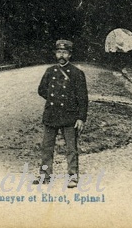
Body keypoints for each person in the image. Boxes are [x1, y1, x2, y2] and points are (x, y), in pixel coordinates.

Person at [33, 39, 88, 187]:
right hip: (51, 114)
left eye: (64, 52)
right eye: (59, 52)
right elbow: (41, 90)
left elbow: (83, 98)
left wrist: (81, 118)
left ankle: (72, 177)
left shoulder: (77, 73)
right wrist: (54, 99)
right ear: (55, 54)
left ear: (70, 55)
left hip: (70, 116)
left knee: (71, 148)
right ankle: (45, 175)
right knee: (46, 147)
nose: (61, 55)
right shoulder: (50, 71)